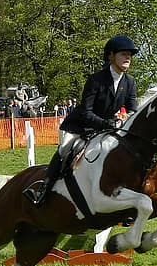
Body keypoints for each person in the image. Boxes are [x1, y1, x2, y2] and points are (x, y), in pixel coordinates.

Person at [22, 34, 139, 206]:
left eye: (130, 54)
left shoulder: (129, 82)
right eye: (123, 53)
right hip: (81, 126)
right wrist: (107, 123)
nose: (128, 57)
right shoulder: (96, 80)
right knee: (64, 150)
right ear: (111, 56)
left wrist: (124, 117)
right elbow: (86, 112)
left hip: (109, 128)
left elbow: (133, 109)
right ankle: (43, 189)